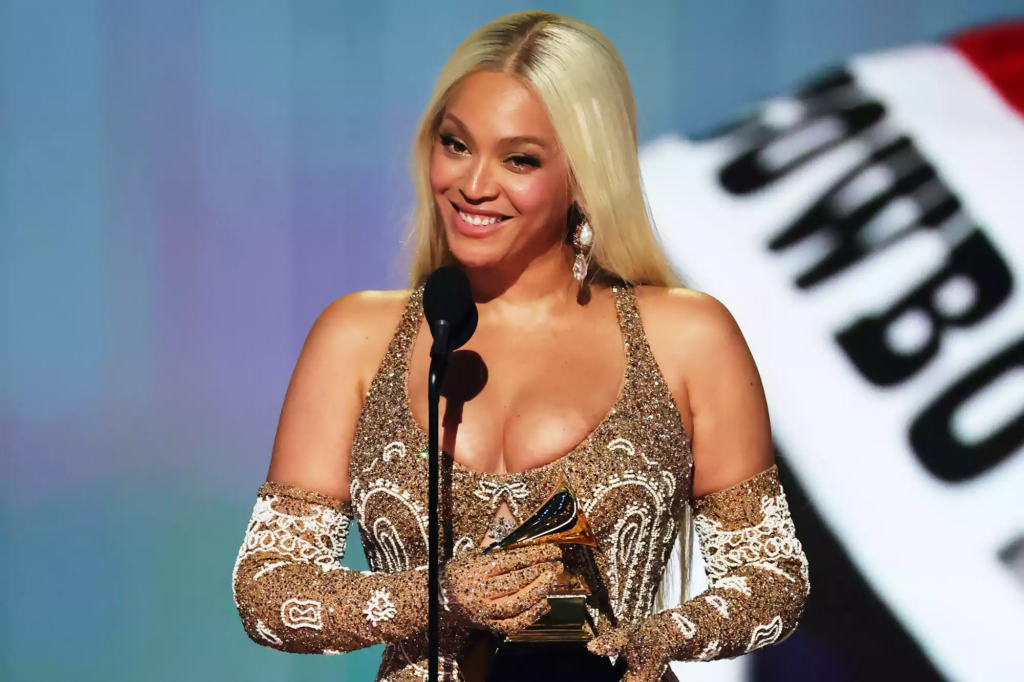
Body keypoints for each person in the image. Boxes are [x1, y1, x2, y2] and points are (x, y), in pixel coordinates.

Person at [231, 10, 809, 682]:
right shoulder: (357, 338)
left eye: (520, 159)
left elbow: (773, 579)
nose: (473, 185)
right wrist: (440, 597)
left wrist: (653, 638)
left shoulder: (686, 337)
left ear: (585, 175)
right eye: (455, 144)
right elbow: (269, 589)